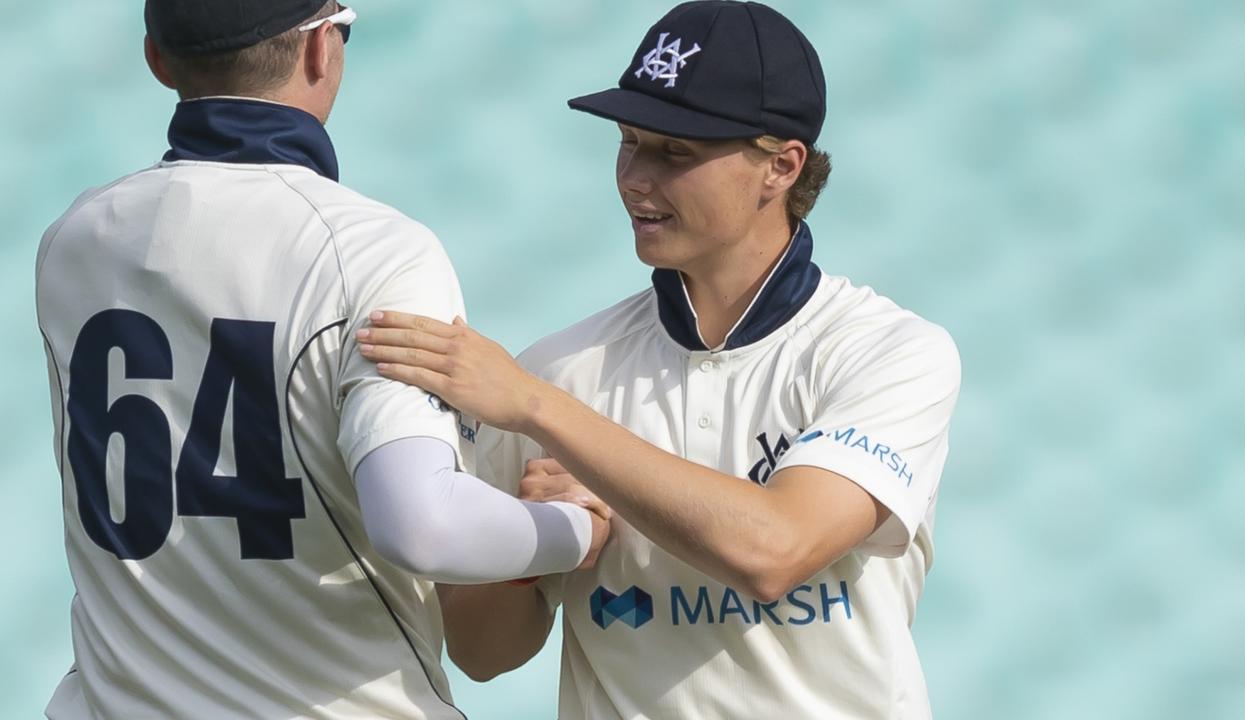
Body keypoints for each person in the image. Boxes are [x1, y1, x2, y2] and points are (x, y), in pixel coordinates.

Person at [359, 1, 962, 718]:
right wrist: (538, 546)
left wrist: (538, 409)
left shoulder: (889, 351)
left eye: (675, 153)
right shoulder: (558, 367)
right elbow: (481, 654)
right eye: (629, 140)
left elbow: (776, 550)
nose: (635, 179)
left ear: (781, 166)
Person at [35, 2, 608, 717]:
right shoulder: (375, 252)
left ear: (157, 59)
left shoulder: (74, 241)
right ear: (319, 52)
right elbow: (420, 525)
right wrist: (575, 528)